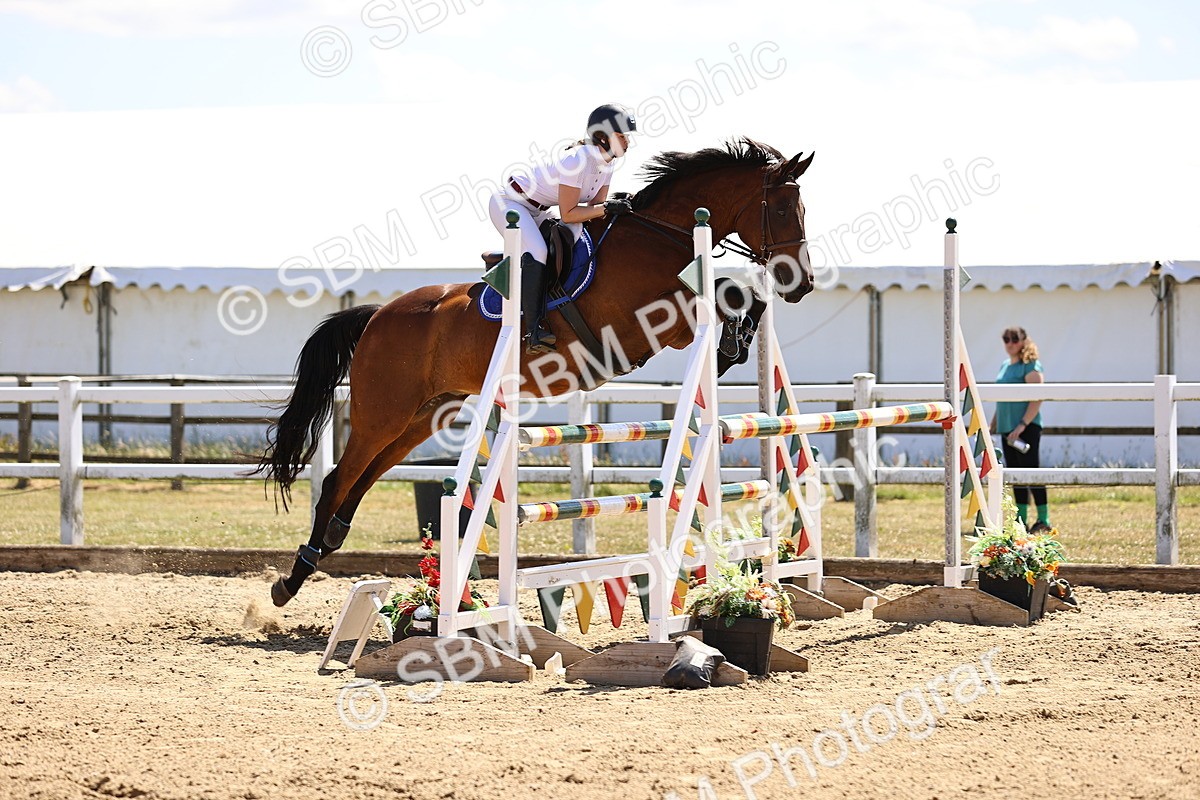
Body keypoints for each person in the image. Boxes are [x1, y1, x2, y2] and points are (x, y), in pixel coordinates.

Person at [487, 103, 636, 354]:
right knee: (538, 251)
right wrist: (608, 208)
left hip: (538, 210)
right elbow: (569, 214)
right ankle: (533, 331)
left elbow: (595, 207)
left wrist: (618, 206)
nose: (627, 141)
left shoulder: (608, 163)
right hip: (509, 205)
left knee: (573, 241)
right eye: (622, 135)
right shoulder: (576, 160)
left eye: (626, 136)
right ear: (603, 137)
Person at [991, 326, 1051, 533]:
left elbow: (1037, 398)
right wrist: (995, 421)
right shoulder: (1005, 365)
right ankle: (1021, 519)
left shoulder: (1031, 365)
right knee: (1015, 474)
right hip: (1007, 428)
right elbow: (1002, 398)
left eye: (1014, 339)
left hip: (1026, 427)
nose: (1010, 343)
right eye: (1006, 339)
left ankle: (1043, 518)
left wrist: (1022, 425)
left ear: (1024, 340)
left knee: (1031, 471)